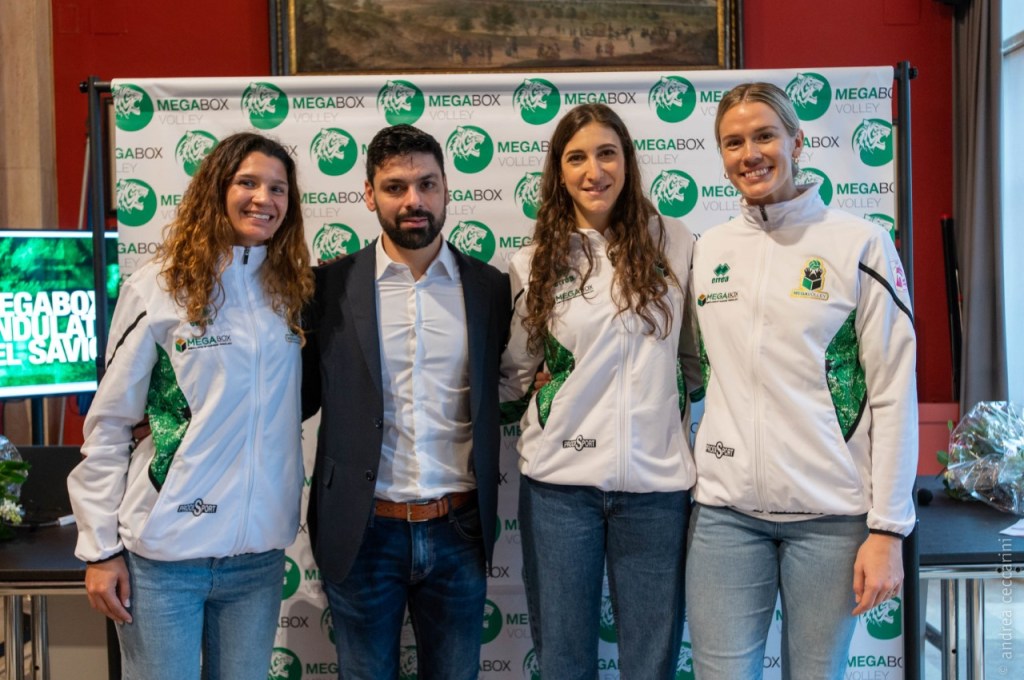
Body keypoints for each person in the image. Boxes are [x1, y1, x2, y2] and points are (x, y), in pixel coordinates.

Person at [685, 82, 918, 679]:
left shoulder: (860, 243)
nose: (750, 154)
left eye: (764, 135)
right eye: (733, 142)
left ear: (797, 141)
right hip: (725, 516)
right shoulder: (708, 250)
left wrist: (888, 530)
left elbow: (893, 394)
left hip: (831, 519)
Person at [67, 131, 313, 680]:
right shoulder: (158, 288)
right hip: (164, 557)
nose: (264, 198)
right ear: (216, 189)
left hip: (257, 559)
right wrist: (100, 550)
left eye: (278, 188)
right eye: (247, 182)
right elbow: (109, 424)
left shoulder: (291, 291)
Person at [301, 124, 511, 680]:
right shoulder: (326, 288)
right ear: (369, 195)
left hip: (459, 530)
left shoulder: (489, 288)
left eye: (427, 184)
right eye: (395, 187)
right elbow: (294, 397)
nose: (413, 200)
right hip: (362, 530)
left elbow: (513, 382)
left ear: (446, 190)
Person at [499, 103, 700, 679]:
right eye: (577, 158)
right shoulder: (533, 263)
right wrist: (547, 396)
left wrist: (658, 404)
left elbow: (694, 360)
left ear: (627, 161)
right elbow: (515, 375)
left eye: (607, 153)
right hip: (559, 491)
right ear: (559, 173)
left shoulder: (676, 243)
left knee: (651, 664)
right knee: (564, 661)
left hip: (657, 489)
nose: (594, 171)